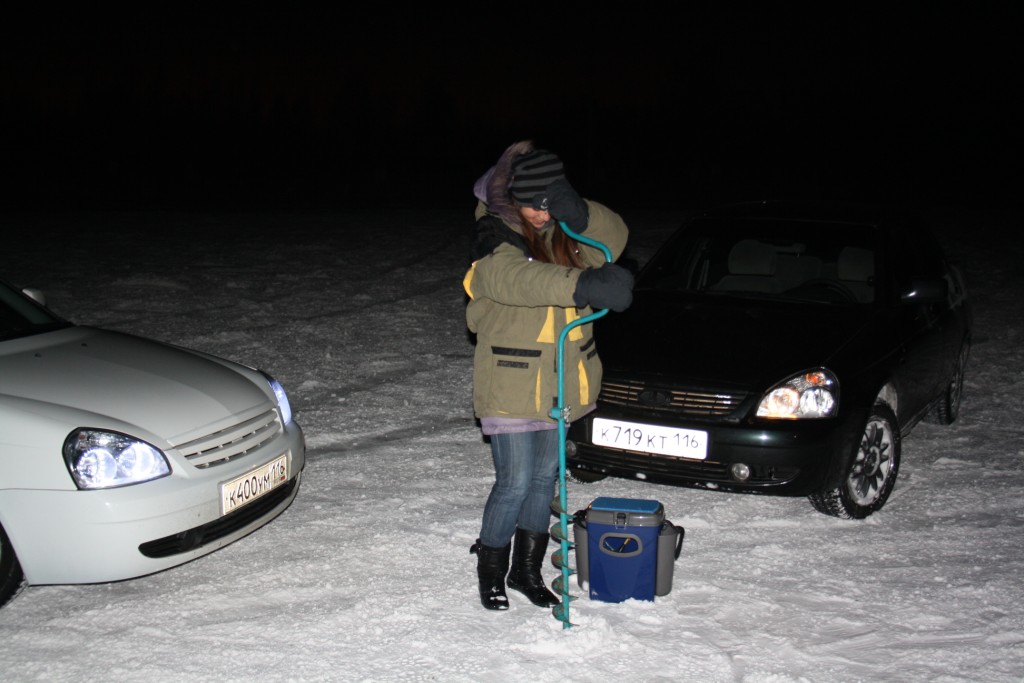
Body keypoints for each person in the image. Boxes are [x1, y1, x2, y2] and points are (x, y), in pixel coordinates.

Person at [463, 140, 633, 611]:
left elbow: (614, 240)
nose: (541, 216)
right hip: (513, 381)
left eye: (547, 204)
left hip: (564, 377)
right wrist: (580, 283)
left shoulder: (560, 226)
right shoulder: (493, 234)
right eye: (531, 206)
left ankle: (526, 571)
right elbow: (511, 280)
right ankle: (491, 571)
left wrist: (579, 215)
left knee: (544, 481)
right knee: (515, 482)